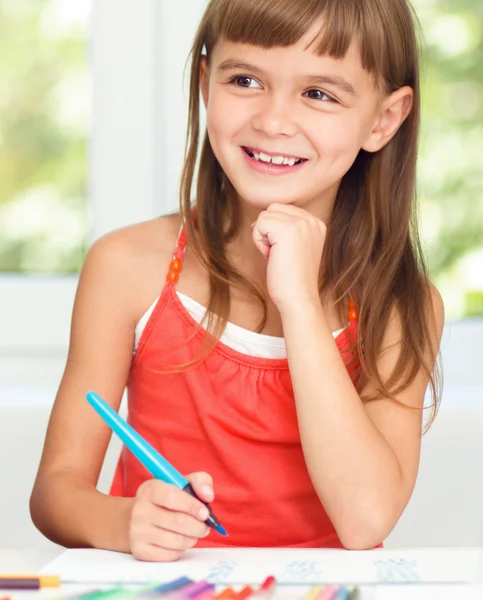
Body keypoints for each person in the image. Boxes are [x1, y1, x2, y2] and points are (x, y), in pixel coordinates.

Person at [30, 0, 444, 561]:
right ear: (206, 85)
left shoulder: (401, 304)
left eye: (319, 93)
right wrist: (123, 519)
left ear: (383, 120)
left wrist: (297, 301)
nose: (273, 121)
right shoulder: (128, 266)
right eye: (245, 79)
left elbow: (363, 517)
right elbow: (57, 491)